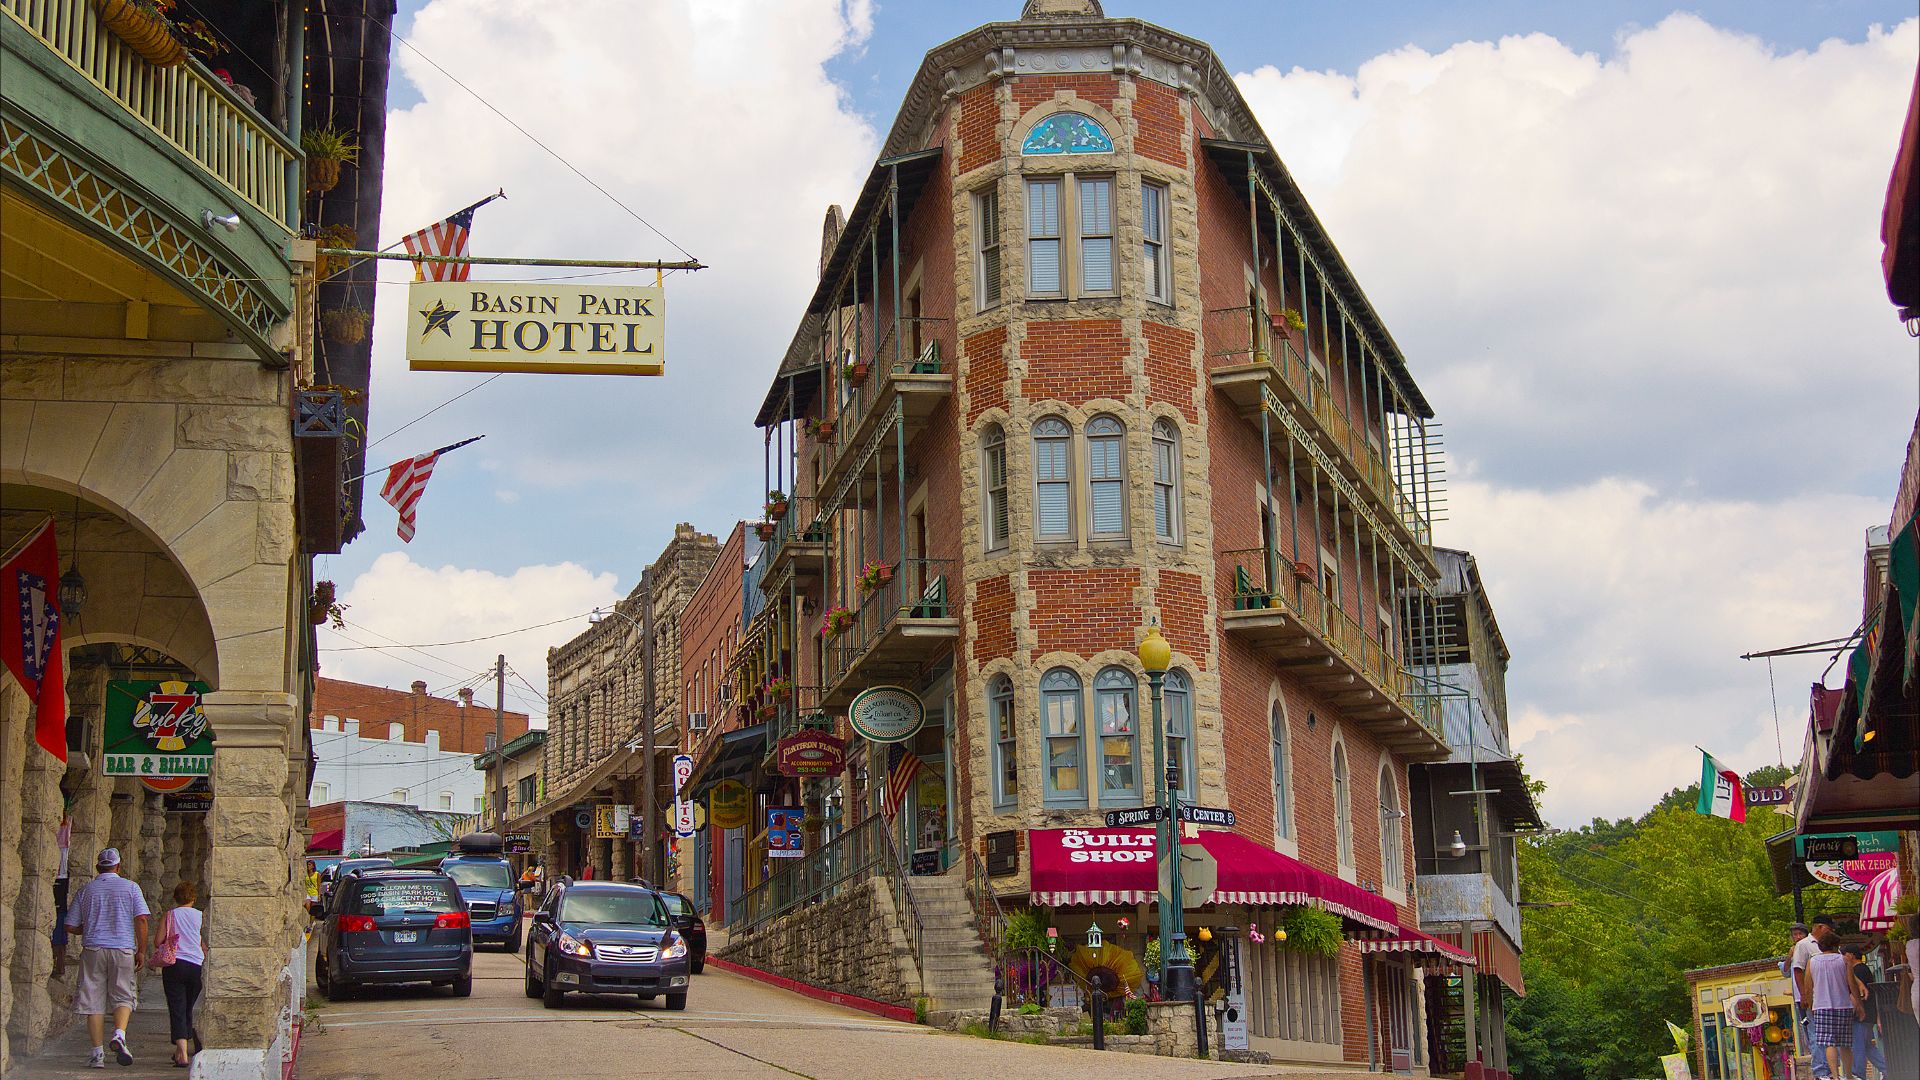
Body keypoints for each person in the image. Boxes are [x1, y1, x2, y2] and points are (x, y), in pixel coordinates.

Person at [65, 847, 150, 1069]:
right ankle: (119, 1035)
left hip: (93, 949)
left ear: (97, 867)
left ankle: (97, 1055)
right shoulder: (131, 888)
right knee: (123, 995)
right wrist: (141, 950)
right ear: (118, 866)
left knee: (93, 1000)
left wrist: (91, 927)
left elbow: (70, 925)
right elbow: (141, 919)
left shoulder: (86, 890)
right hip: (122, 949)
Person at [150, 881, 205, 1069]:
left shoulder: (170, 915)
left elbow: (158, 941)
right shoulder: (201, 917)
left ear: (175, 897)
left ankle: (181, 1052)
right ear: (193, 898)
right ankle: (192, 1045)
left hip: (174, 965)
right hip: (196, 965)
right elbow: (205, 944)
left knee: (177, 1007)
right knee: (190, 1007)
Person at [1807, 933, 1862, 1080]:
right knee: (1845, 1043)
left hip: (1821, 1006)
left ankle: (1836, 1077)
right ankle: (1849, 1075)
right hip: (1843, 1005)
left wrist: (1810, 1004)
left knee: (1829, 1043)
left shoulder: (1812, 962)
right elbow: (1851, 984)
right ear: (1835, 945)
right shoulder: (1843, 960)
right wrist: (1858, 1002)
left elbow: (1808, 986)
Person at [1792, 917, 1834, 1076]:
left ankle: (1830, 1070)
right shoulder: (1804, 945)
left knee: (1829, 1035)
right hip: (1812, 998)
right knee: (1816, 1034)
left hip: (1828, 997)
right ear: (1821, 927)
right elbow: (1798, 970)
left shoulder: (1827, 946)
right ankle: (1821, 1072)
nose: (1831, 932)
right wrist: (1804, 995)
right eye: (1829, 929)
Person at [1842, 942, 1886, 1079]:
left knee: (1858, 1046)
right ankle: (1887, 1070)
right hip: (1869, 1014)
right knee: (1867, 1046)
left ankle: (1858, 1074)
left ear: (1851, 955)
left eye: (1844, 954)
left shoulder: (1858, 970)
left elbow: (1857, 993)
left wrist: (1855, 1011)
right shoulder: (1864, 969)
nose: (1842, 957)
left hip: (1861, 1015)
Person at [53, 808, 72, 979]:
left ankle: (59, 966)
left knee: (60, 925)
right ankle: (57, 966)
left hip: (61, 878)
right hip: (58, 876)